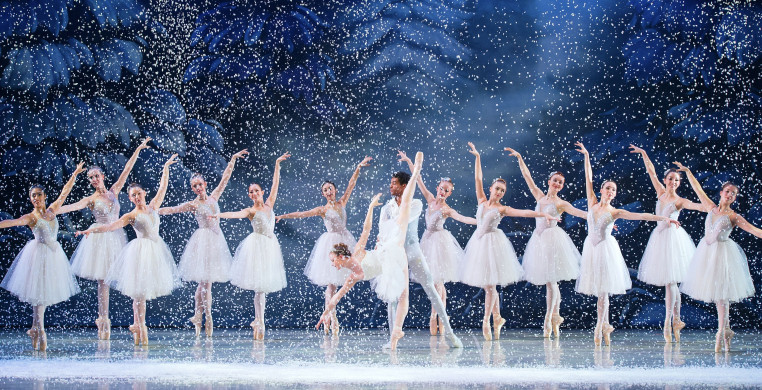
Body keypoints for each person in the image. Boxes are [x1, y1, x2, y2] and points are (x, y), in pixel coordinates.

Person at [574, 142, 679, 346]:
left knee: (603, 291)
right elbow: (588, 178)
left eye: (614, 190)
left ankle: (600, 326)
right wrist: (587, 156)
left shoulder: (615, 212)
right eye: (608, 188)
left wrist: (664, 219)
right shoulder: (592, 203)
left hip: (606, 250)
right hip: (591, 249)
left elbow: (641, 215)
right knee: (598, 290)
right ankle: (604, 324)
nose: (611, 192)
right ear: (602, 190)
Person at [317, 152, 424, 350]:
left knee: (405, 209)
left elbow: (366, 230)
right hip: (388, 255)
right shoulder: (353, 274)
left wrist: (371, 207)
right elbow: (337, 296)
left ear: (342, 257)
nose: (332, 264)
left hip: (389, 250)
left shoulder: (356, 255)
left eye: (333, 260)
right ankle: (396, 334)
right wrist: (326, 312)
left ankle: (416, 170)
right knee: (402, 295)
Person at [77, 154, 181, 346]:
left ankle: (139, 324)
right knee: (138, 292)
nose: (136, 197)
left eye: (138, 193)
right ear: (130, 198)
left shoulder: (153, 207)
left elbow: (163, 188)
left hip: (156, 251)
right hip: (140, 252)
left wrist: (166, 168)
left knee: (146, 291)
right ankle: (138, 325)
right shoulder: (130, 215)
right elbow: (111, 226)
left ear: (144, 193)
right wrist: (90, 230)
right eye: (132, 195)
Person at [463, 142, 559, 341]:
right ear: (491, 188)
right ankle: (497, 318)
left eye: (502, 191)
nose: (498, 193)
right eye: (497, 189)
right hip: (478, 245)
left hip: (492, 245)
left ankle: (487, 321)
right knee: (488, 286)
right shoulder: (481, 200)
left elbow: (524, 212)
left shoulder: (502, 209)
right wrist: (478, 157)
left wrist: (543, 214)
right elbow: (477, 178)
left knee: (490, 285)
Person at [58, 138, 151, 340]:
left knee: (128, 276)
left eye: (96, 176)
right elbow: (71, 206)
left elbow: (127, 169)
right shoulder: (91, 199)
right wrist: (53, 209)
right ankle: (103, 321)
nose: (93, 179)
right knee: (103, 281)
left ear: (102, 176)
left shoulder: (114, 192)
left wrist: (137, 149)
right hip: (100, 238)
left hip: (116, 236)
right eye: (90, 178)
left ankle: (137, 322)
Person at [276, 156, 372, 335]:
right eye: (325, 190)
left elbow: (351, 184)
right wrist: (284, 216)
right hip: (331, 245)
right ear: (323, 194)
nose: (328, 192)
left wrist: (358, 167)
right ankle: (331, 317)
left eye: (330, 188)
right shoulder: (323, 209)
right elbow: (302, 214)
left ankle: (330, 316)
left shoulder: (342, 202)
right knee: (331, 284)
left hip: (345, 242)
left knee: (345, 280)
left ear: (335, 190)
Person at [158, 149, 249, 337]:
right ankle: (206, 317)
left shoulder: (214, 196)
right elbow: (173, 209)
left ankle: (199, 315)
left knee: (204, 284)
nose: (198, 188)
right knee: (203, 283)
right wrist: (154, 210)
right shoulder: (193, 204)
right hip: (201, 241)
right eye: (194, 186)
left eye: (199, 184)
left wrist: (232, 159)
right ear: (192, 189)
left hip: (215, 241)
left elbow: (225, 178)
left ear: (205, 184)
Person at [674, 162, 760, 353]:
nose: (730, 195)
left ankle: (721, 332)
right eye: (728, 191)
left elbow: (754, 230)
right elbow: (698, 190)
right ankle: (726, 329)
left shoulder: (733, 216)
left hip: (723, 255)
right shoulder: (711, 208)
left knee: (723, 296)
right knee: (718, 296)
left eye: (733, 194)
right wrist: (688, 172)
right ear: (721, 192)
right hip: (706, 254)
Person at [0, 163, 86, 351]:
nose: (36, 198)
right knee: (38, 297)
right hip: (38, 256)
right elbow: (14, 222)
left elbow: (65, 192)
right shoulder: (31, 217)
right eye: (33, 196)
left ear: (44, 196)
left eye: (39, 194)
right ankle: (41, 331)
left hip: (53, 258)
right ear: (30, 199)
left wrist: (75, 173)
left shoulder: (52, 211)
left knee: (43, 297)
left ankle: (34, 328)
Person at [378, 159, 463, 349]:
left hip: (412, 250)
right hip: (395, 253)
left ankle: (449, 332)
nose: (390, 186)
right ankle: (393, 337)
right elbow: (382, 232)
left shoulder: (414, 204)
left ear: (404, 186)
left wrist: (414, 165)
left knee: (432, 289)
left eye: (394, 183)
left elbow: (403, 220)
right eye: (390, 183)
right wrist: (381, 246)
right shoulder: (386, 208)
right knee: (394, 296)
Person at [504, 147, 587, 338]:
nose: (557, 184)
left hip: (553, 240)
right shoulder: (539, 197)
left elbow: (581, 213)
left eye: (560, 182)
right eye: (555, 181)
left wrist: (601, 218)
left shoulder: (561, 204)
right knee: (550, 283)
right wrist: (519, 157)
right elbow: (527, 177)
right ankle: (555, 316)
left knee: (552, 282)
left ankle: (549, 319)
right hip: (539, 242)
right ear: (549, 182)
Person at [397, 151, 475, 336]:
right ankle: (439, 315)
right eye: (442, 188)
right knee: (434, 282)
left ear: (449, 193)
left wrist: (480, 221)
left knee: (437, 282)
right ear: (438, 187)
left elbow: (462, 218)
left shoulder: (447, 209)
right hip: (427, 241)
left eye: (447, 190)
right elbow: (418, 179)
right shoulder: (430, 199)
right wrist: (409, 161)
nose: (443, 191)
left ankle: (437, 316)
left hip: (440, 244)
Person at [629, 145, 700, 343]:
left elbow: (698, 205)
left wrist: (713, 207)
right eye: (670, 179)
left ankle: (670, 320)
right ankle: (676, 319)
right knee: (671, 282)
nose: (673, 182)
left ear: (679, 183)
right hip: (659, 238)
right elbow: (651, 171)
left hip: (673, 239)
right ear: (665, 180)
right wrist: (644, 153)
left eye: (676, 180)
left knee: (671, 282)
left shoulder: (679, 201)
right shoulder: (660, 193)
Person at [219, 152, 290, 340]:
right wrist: (218, 216)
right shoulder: (250, 211)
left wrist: (277, 164)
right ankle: (259, 320)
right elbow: (235, 214)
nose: (254, 194)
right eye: (251, 192)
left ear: (261, 192)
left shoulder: (269, 205)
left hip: (270, 247)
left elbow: (276, 184)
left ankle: (260, 321)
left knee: (264, 287)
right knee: (259, 287)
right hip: (257, 247)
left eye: (256, 191)